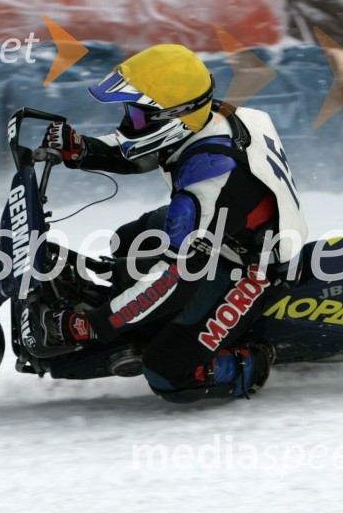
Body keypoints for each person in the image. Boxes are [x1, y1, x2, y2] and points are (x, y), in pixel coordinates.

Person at [40, 44, 308, 403]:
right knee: (125, 241)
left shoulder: (206, 184)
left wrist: (97, 325)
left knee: (166, 372)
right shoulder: (216, 114)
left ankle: (253, 359)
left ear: (174, 117)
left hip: (253, 267)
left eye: (136, 115)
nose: (128, 122)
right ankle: (144, 315)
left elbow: (176, 279)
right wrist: (85, 149)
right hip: (227, 228)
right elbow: (151, 147)